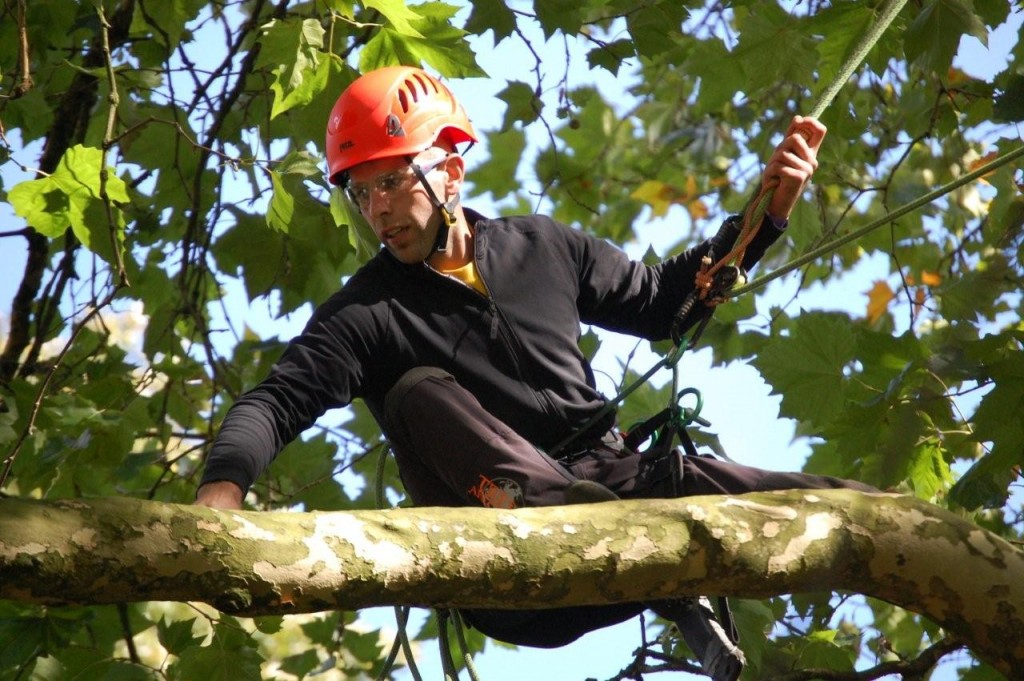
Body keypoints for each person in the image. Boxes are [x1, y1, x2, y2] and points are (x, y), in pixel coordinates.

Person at [196, 65, 874, 681]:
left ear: (450, 172)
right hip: (500, 545)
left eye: (393, 181)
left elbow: (668, 303)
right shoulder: (367, 314)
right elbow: (276, 402)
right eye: (362, 191)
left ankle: (871, 524)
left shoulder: (543, 246)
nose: (376, 209)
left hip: (615, 493)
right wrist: (219, 499)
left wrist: (768, 212)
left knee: (828, 505)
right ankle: (595, 527)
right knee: (416, 393)